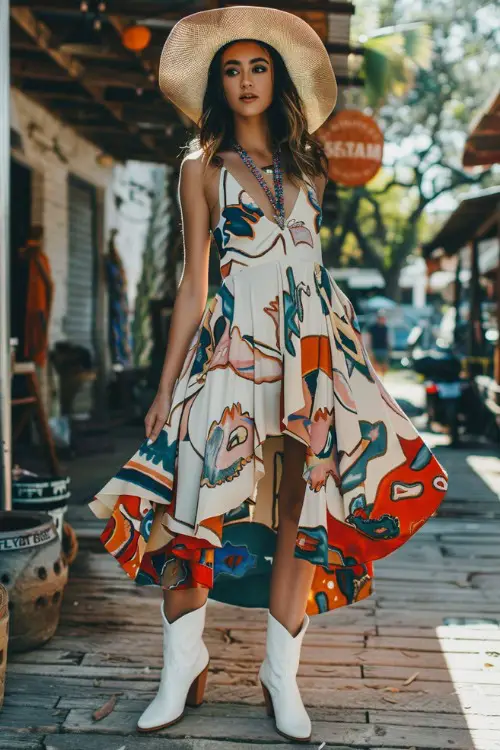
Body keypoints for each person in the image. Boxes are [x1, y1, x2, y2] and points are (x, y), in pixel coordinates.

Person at [88, 7, 449, 743]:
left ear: (276, 79)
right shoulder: (200, 169)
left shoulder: (310, 166)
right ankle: (180, 668)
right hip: (230, 352)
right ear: (217, 85)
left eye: (258, 67)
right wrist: (163, 387)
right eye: (232, 69)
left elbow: (316, 275)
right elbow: (194, 282)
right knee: (192, 503)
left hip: (312, 358)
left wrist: (355, 368)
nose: (246, 80)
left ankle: (280, 676)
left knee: (299, 509)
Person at [367, 310, 391, 378]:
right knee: (374, 365)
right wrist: (369, 348)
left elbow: (387, 338)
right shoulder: (372, 328)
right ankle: (376, 377)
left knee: (384, 365)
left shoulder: (386, 328)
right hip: (375, 348)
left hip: (384, 348)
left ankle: (383, 378)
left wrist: (389, 348)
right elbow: (369, 338)